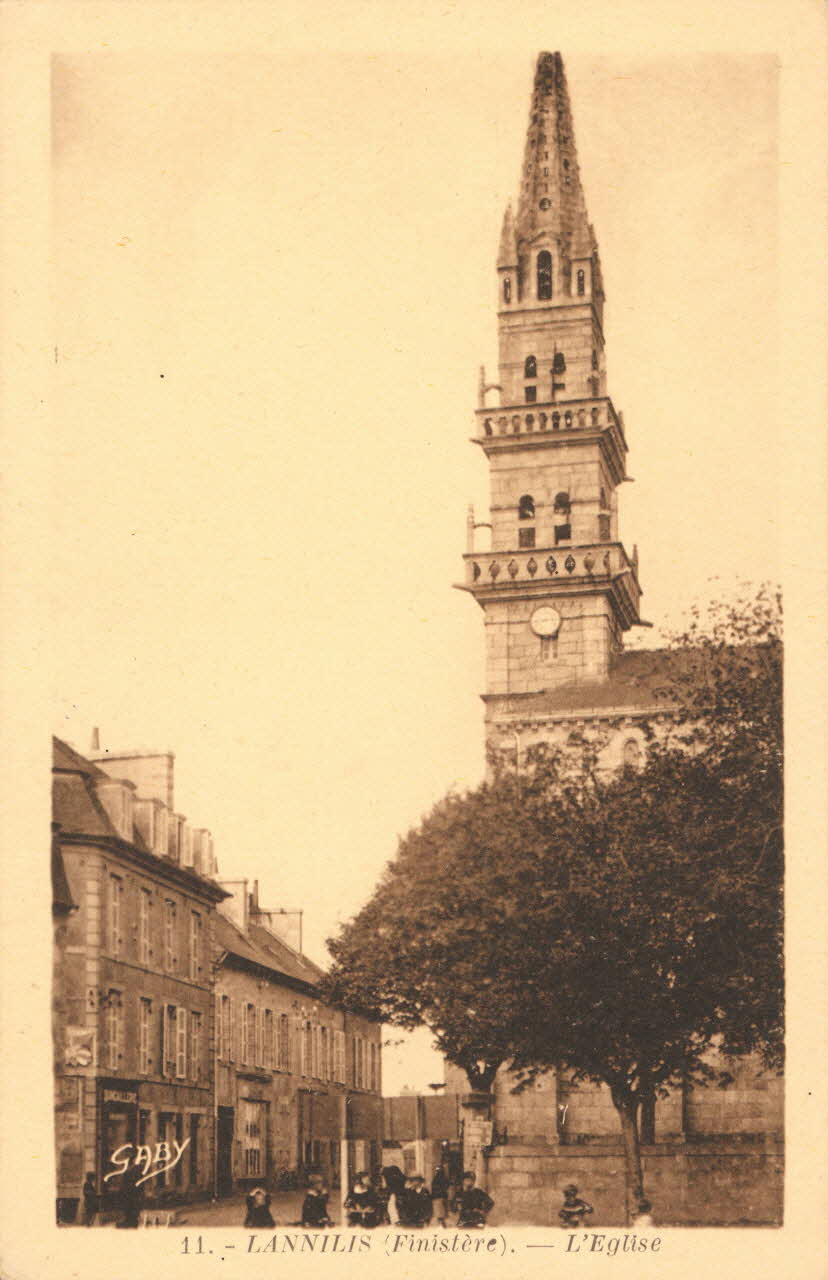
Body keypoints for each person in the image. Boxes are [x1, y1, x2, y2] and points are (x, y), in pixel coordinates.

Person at [116, 1164, 144, 1229]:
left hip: (129, 1195)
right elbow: (141, 1186)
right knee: (132, 1209)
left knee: (130, 1209)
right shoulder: (137, 1173)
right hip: (132, 1195)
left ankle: (130, 1221)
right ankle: (132, 1221)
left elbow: (123, 1186)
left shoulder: (128, 1173)